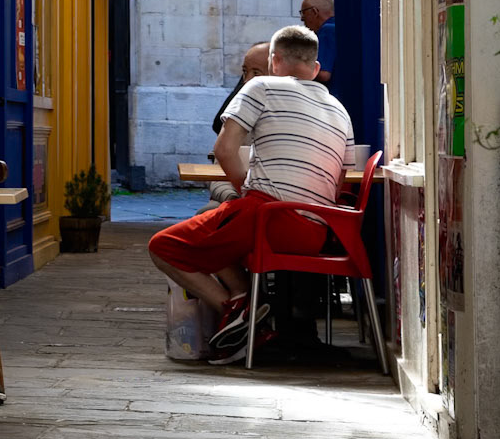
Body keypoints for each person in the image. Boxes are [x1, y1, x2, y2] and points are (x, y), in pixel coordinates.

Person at [148, 22, 355, 361]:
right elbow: (342, 179)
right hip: (319, 231)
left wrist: (247, 190)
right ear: (315, 68)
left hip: (270, 218)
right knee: (216, 220)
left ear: (274, 61)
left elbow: (225, 150)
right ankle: (248, 303)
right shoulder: (340, 110)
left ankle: (239, 311)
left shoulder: (261, 86)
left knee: (164, 246)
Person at [207, 41, 270, 205]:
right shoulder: (239, 119)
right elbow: (218, 176)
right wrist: (235, 196)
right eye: (244, 72)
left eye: (256, 73)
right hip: (238, 202)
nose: (247, 80)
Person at [300, 0, 336, 90]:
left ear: (314, 12)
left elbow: (323, 74)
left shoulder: (327, 30)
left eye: (303, 13)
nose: (302, 18)